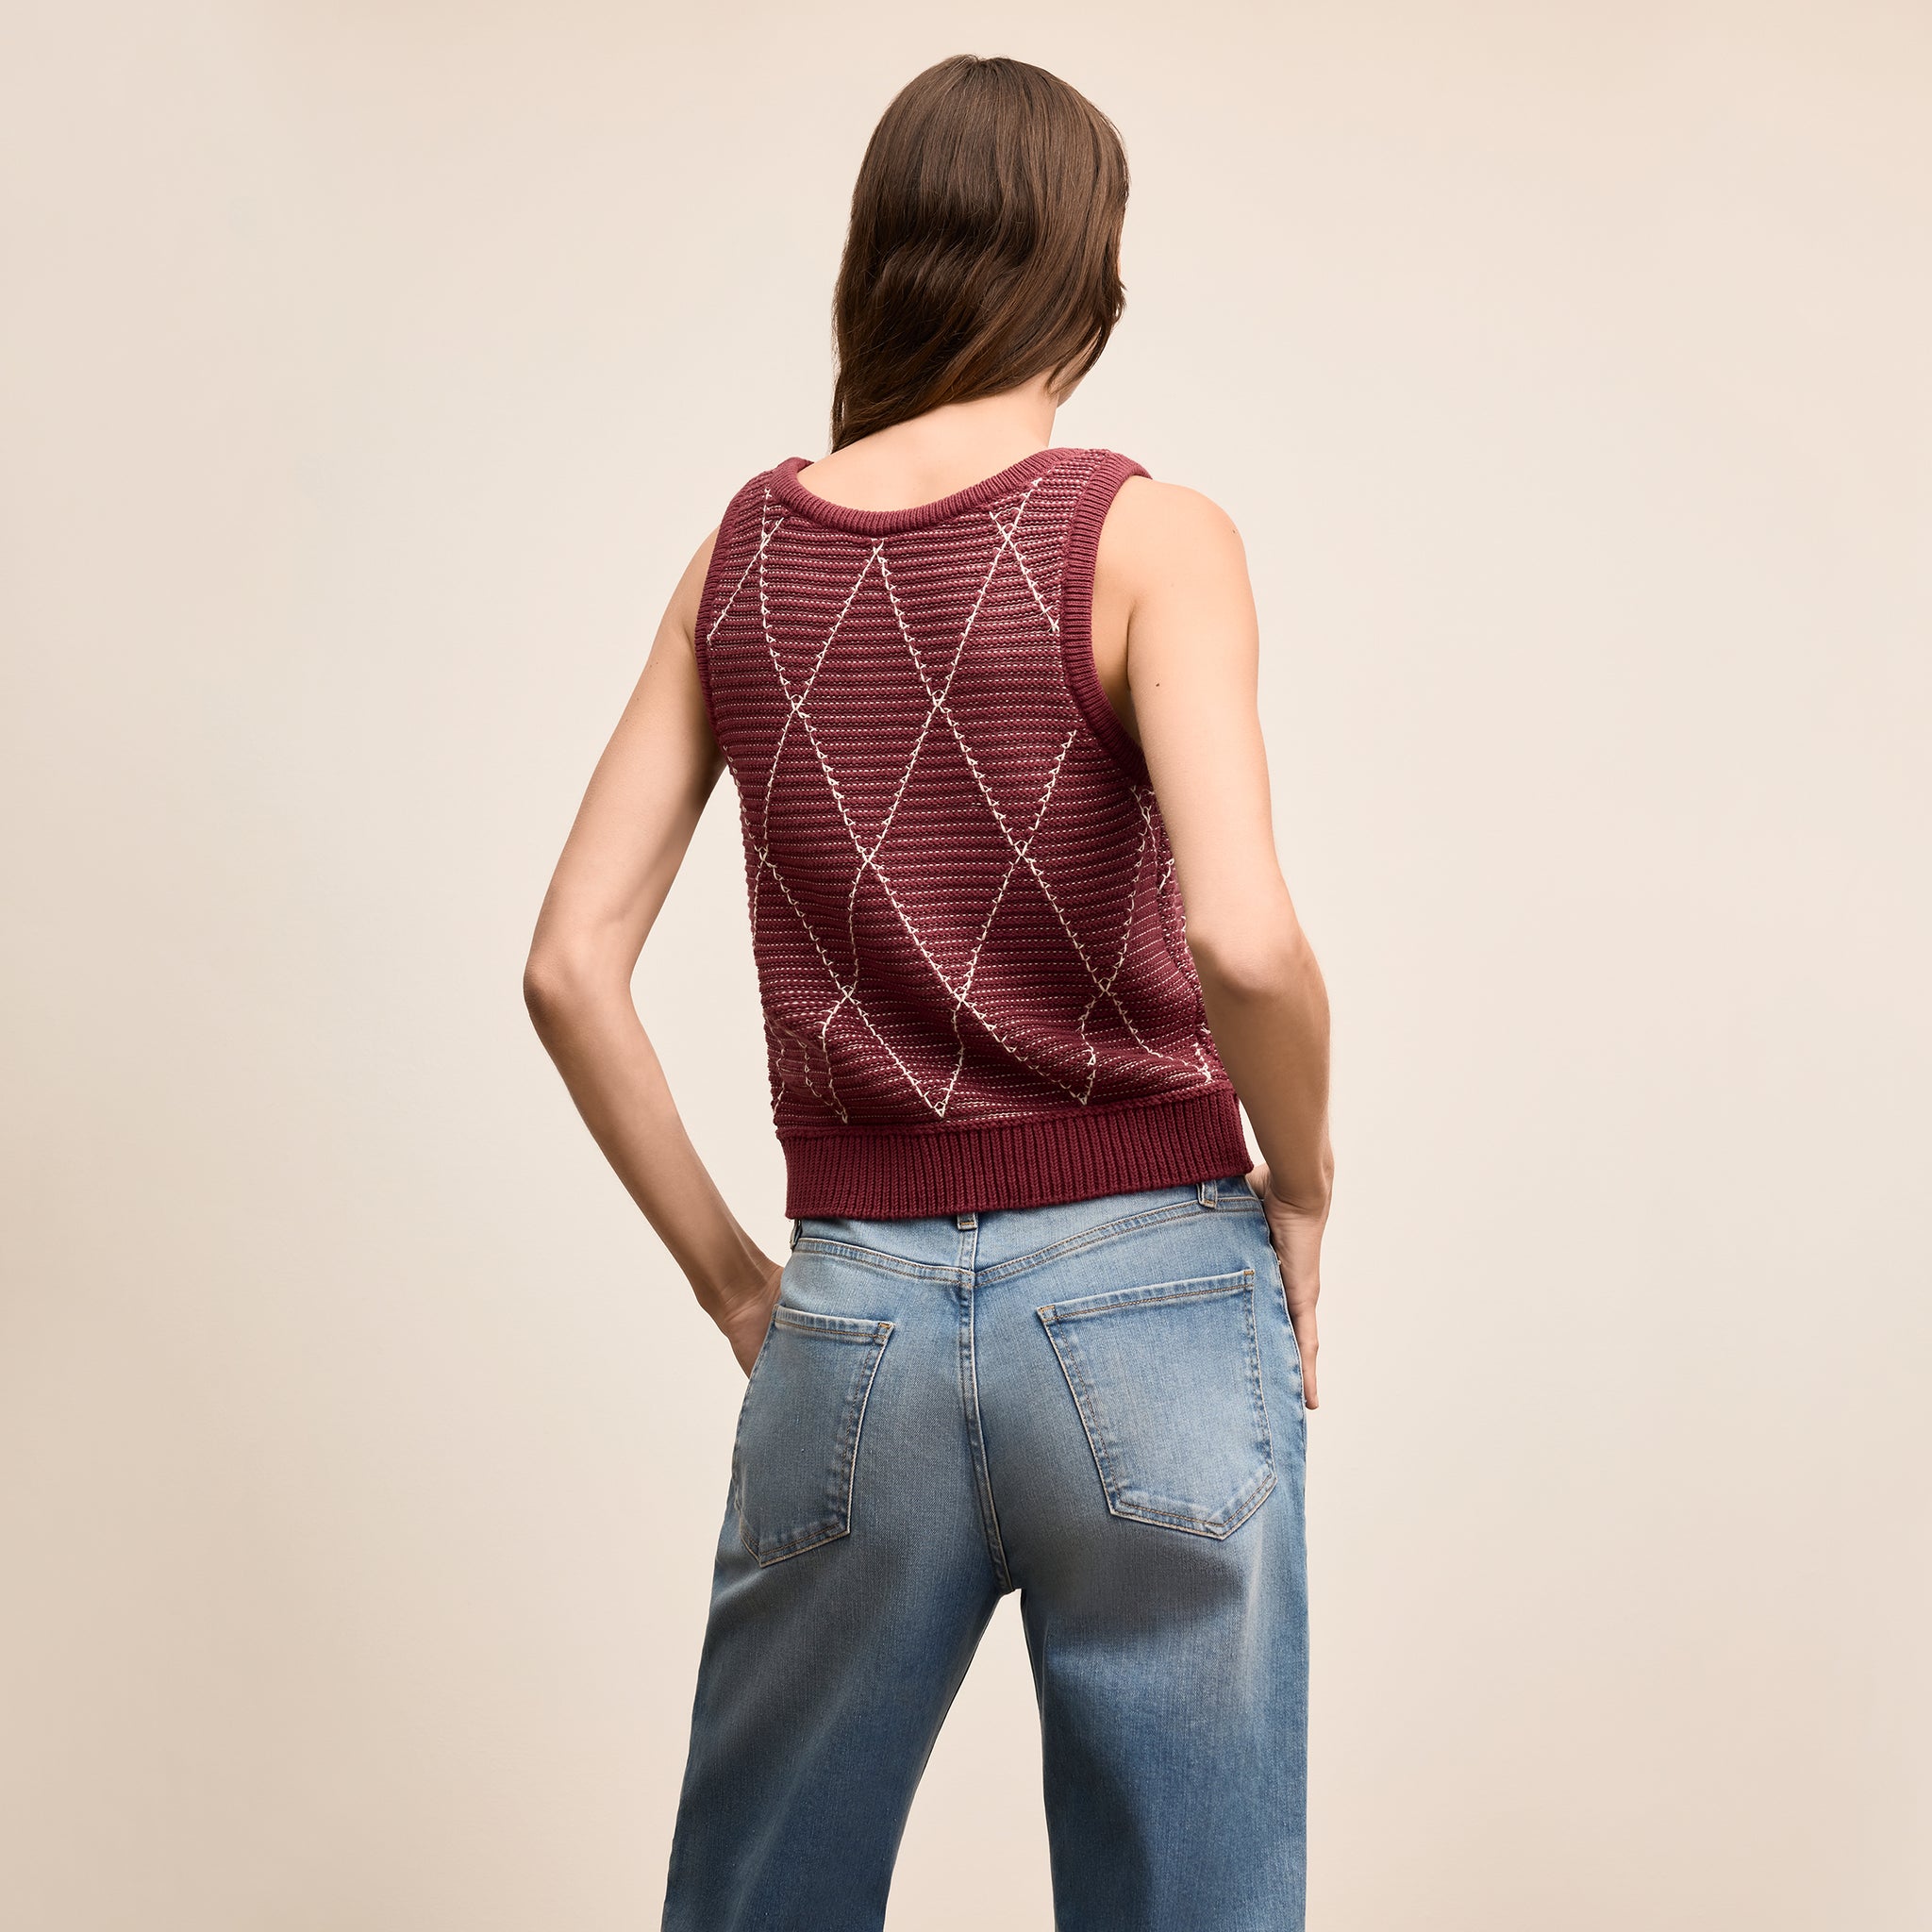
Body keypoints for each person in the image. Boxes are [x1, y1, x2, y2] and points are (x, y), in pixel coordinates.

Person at [524, 52, 1334, 1932]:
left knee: (757, 1902)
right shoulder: (1146, 534)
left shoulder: (741, 554)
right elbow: (1247, 943)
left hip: (855, 1325)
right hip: (1151, 1291)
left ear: (880, 262)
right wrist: (1298, 1176)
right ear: (1087, 274)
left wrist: (748, 1284)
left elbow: (571, 961)